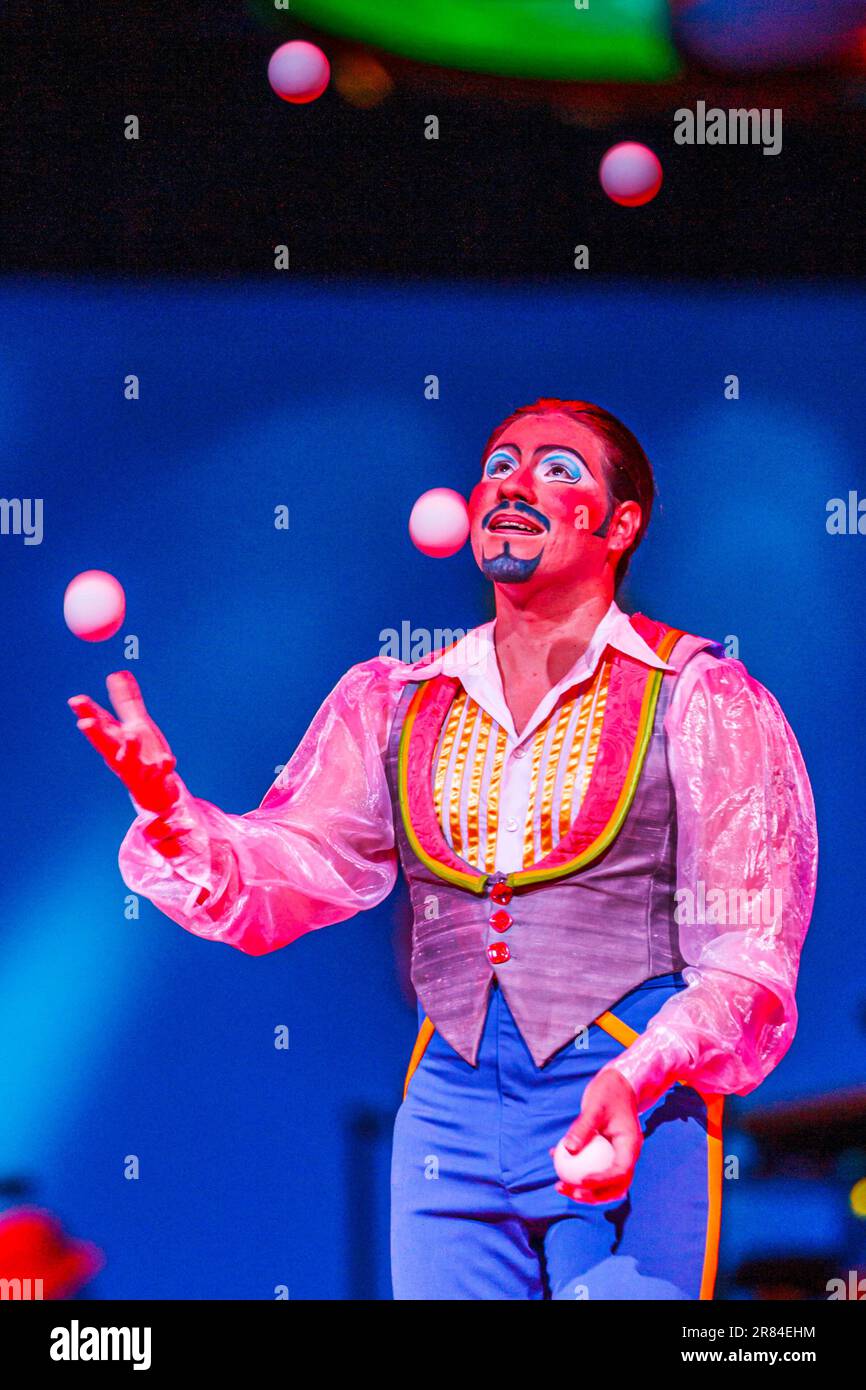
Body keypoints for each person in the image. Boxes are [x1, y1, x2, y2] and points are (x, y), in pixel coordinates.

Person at [68, 398, 818, 1300]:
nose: (515, 483)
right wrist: (169, 807)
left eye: (557, 468)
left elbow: (748, 958)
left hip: (629, 1100)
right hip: (450, 1120)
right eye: (500, 464)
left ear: (619, 525)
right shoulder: (400, 699)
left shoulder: (699, 696)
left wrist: (637, 1072)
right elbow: (293, 874)